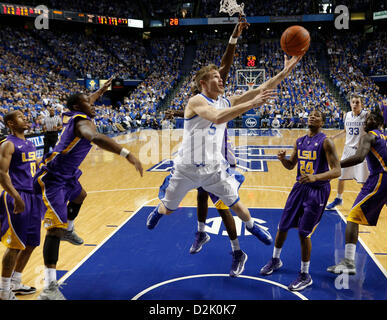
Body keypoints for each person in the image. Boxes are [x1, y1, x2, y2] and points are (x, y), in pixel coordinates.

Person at [147, 54, 304, 261]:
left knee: (235, 203)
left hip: (213, 168)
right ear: (203, 83)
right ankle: (158, 211)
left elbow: (261, 89)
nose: (221, 79)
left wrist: (285, 71)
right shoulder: (196, 101)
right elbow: (218, 116)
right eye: (215, 76)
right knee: (168, 209)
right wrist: (252, 104)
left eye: (220, 77)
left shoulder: (225, 100)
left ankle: (251, 226)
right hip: (186, 168)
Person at [33, 84, 143, 300]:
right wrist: (126, 153)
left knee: (80, 196)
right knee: (54, 229)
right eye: (88, 101)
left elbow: (89, 98)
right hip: (53, 178)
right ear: (78, 106)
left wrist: (102, 89)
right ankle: (49, 288)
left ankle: (69, 229)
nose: (93, 103)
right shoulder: (82, 123)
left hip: (68, 174)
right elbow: (96, 138)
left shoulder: (73, 112)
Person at [166, 18, 249, 277]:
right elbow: (196, 114)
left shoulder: (217, 96)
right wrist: (177, 112)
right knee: (200, 194)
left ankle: (237, 252)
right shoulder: (197, 100)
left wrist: (234, 38)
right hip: (201, 159)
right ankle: (201, 233)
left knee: (223, 207)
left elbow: (225, 64)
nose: (216, 78)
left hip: (221, 158)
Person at [260, 110, 341, 291]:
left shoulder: (326, 142)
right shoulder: (300, 141)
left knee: (304, 233)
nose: (312, 116)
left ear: (322, 122)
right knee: (283, 225)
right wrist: (282, 159)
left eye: (317, 115)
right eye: (310, 114)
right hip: (299, 188)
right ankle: (275, 260)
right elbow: (291, 166)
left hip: (317, 191)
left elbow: (337, 171)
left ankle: (305, 275)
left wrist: (316, 177)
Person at [327, 109, 387, 275]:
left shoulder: (368, 136)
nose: (366, 121)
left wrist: (338, 165)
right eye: (366, 119)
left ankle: (348, 262)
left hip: (380, 178)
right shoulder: (384, 137)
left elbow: (359, 157)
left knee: (353, 217)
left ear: (380, 123)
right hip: (381, 178)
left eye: (370, 119)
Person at [0, 111, 43, 300]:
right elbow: (2, 174)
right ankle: (3, 289)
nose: (25, 118)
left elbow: (31, 168)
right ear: (10, 123)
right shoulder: (8, 144)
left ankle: (16, 282)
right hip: (18, 196)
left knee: (31, 243)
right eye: (19, 117)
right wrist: (16, 197)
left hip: (33, 196)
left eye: (25, 116)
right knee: (16, 245)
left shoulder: (29, 143)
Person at [326, 93, 369, 210]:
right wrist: (334, 137)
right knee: (341, 176)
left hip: (361, 152)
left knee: (363, 180)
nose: (355, 104)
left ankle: (367, 202)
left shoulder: (366, 115)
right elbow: (346, 130)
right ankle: (339, 198)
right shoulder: (347, 115)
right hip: (348, 150)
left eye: (357, 102)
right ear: (350, 103)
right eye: (353, 102)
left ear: (361, 104)